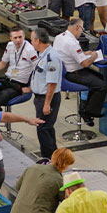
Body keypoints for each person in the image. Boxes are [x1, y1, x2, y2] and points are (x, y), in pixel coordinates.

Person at [10, 148, 75, 213]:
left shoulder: (32, 168)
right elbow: (67, 203)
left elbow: (17, 187)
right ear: (65, 164)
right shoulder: (59, 180)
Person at [54, 19, 107, 125]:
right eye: (82, 29)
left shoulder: (60, 37)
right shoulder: (72, 42)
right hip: (72, 74)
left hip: (62, 73)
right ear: (77, 27)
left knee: (99, 77)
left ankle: (85, 108)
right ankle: (88, 112)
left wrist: (84, 53)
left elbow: (71, 54)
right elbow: (86, 64)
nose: (82, 32)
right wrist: (93, 56)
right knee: (102, 85)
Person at [0, 27, 37, 110]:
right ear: (11, 38)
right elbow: (2, 64)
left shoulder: (30, 50)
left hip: (18, 85)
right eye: (15, 38)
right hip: (6, 80)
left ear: (24, 36)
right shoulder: (10, 46)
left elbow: (38, 71)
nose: (18, 40)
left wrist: (31, 88)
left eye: (20, 37)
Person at [31, 27, 63, 159]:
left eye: (32, 40)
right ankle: (54, 158)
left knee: (44, 129)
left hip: (48, 98)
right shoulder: (42, 55)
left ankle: (49, 159)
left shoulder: (51, 58)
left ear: (38, 40)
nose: (31, 43)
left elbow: (52, 83)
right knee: (46, 128)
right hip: (40, 97)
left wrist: (46, 104)